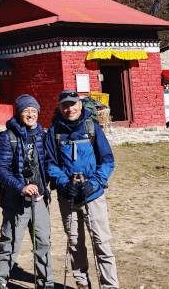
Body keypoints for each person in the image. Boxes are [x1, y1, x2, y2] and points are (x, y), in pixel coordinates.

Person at [46, 90, 118, 289]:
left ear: (80, 105)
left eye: (73, 104)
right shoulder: (53, 132)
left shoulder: (92, 128)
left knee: (101, 242)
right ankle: (82, 283)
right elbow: (50, 163)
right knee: (75, 243)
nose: (69, 109)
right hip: (67, 196)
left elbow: (107, 161)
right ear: (60, 107)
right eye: (65, 105)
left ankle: (109, 286)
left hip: (93, 194)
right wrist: (63, 183)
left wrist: (94, 183)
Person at [0, 94, 54, 289]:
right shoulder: (7, 137)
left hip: (39, 199)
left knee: (43, 242)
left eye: (34, 111)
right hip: (16, 200)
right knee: (10, 242)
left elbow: (48, 163)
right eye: (26, 111)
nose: (31, 114)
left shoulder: (43, 135)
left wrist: (48, 184)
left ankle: (46, 282)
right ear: (18, 113)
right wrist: (21, 187)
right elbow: (1, 169)